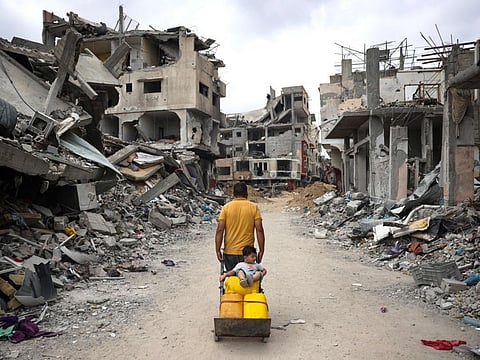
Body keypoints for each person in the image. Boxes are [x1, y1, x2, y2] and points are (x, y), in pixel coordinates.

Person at [215, 182, 265, 271]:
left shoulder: (226, 208)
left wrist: (218, 250)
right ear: (246, 194)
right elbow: (259, 230)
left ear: (233, 194)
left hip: (230, 253)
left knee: (232, 279)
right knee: (249, 280)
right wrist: (261, 250)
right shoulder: (253, 207)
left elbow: (220, 230)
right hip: (248, 253)